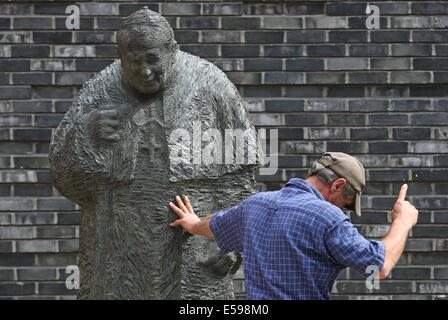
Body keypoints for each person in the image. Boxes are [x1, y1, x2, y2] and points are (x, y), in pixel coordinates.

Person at [50, 7, 259, 299]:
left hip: (192, 250)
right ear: (120, 56)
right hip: (117, 253)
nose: (145, 71)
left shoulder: (213, 87)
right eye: (134, 62)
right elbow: (64, 178)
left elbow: (242, 176)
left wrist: (229, 238)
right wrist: (85, 134)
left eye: (153, 60)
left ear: (172, 51)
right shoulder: (98, 92)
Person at [169, 152, 419, 299]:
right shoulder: (329, 218)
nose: (343, 209)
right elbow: (380, 266)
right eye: (347, 202)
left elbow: (216, 224)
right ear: (339, 185)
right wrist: (402, 221)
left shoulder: (255, 205)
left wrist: (192, 224)